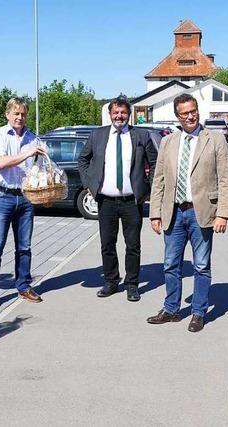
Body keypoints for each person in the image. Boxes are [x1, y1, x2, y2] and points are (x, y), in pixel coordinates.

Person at [146, 93, 228, 333]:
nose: (190, 116)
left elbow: (226, 179)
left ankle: (198, 312)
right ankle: (171, 309)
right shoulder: (168, 141)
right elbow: (159, 180)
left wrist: (223, 214)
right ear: (177, 116)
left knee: (201, 265)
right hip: (173, 213)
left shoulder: (214, 139)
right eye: (184, 113)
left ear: (198, 110)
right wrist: (155, 213)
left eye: (193, 110)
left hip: (201, 213)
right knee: (170, 264)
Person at [77, 96, 158, 301]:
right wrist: (89, 184)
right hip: (106, 201)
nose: (119, 116)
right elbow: (83, 159)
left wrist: (147, 188)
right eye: (116, 113)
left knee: (133, 245)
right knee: (107, 244)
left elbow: (155, 162)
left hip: (132, 201)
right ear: (110, 114)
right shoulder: (98, 135)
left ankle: (132, 284)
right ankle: (111, 282)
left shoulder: (141, 135)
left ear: (129, 114)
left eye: (123, 112)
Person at [0, 97, 47, 309]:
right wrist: (26, 153)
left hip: (26, 197)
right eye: (16, 113)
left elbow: (36, 167)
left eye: (23, 114)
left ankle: (24, 286)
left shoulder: (32, 137)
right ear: (8, 114)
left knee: (24, 247)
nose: (20, 117)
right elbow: (0, 163)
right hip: (1, 196)